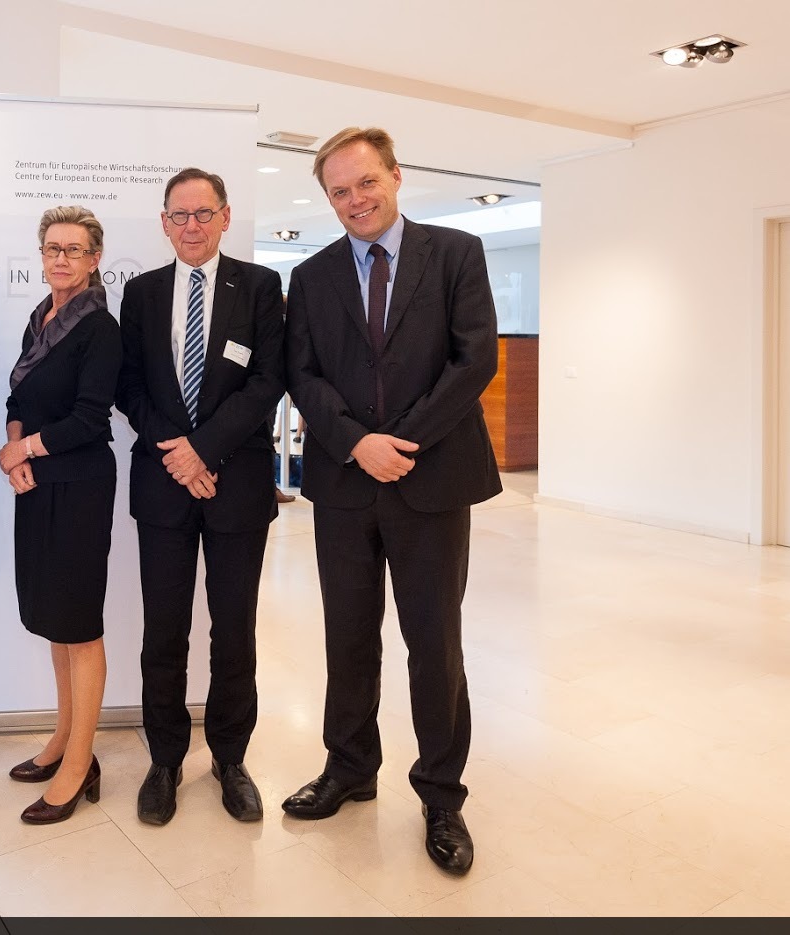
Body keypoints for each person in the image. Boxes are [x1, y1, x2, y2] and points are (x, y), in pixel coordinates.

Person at [281, 127, 501, 876]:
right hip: (344, 484)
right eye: (338, 191)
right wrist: (354, 442)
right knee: (347, 637)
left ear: (395, 176)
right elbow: (302, 374)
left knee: (432, 644)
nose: (354, 200)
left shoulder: (455, 254)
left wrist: (397, 442)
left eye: (364, 183)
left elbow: (475, 360)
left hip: (432, 477)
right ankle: (348, 769)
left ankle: (440, 795)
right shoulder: (310, 277)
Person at [116, 167, 285, 825]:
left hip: (235, 485)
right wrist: (178, 452)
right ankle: (164, 759)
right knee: (163, 630)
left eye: (202, 213)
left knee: (233, 630)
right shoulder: (141, 291)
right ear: (163, 222)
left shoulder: (260, 286)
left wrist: (204, 448)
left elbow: (268, 380)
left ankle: (229, 756)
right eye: (178, 215)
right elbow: (128, 387)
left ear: (224, 215)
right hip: (162, 485)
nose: (190, 225)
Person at [0, 206, 121, 824]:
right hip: (39, 482)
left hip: (80, 485)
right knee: (54, 619)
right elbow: (18, 396)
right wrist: (15, 446)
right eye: (53, 248)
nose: (62, 259)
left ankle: (81, 762)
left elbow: (89, 420)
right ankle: (63, 740)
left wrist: (25, 449)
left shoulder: (100, 326)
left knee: (81, 624)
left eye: (74, 250)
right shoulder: (38, 317)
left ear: (95, 259)